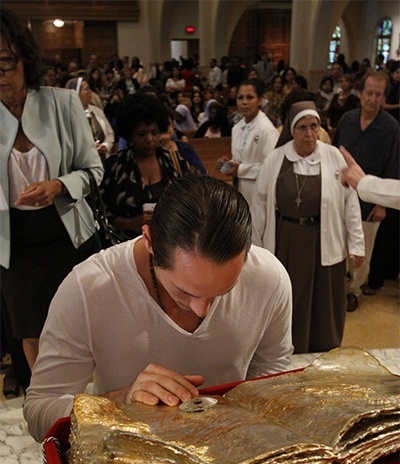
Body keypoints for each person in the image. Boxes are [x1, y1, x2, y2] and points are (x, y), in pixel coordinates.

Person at [24, 175, 293, 443]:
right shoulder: (90, 289)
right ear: (150, 241)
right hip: (127, 460)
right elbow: (39, 414)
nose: (201, 311)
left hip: (230, 451)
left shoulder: (267, 279)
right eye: (184, 292)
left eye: (222, 291)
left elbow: (271, 377)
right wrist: (120, 401)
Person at [0, 7, 104, 381]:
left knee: (84, 327)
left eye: (6, 63)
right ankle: (52, 408)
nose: (0, 75)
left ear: (25, 58)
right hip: (14, 243)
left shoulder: (62, 104)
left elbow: (94, 171)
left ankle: (94, 403)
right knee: (33, 331)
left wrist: (59, 185)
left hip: (68, 234)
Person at [252, 101, 364, 354]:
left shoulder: (333, 156)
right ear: (292, 130)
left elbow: (351, 203)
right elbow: (259, 206)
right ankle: (291, 350)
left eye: (314, 126)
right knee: (293, 299)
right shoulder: (275, 159)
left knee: (326, 300)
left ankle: (326, 349)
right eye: (302, 128)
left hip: (325, 239)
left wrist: (356, 243)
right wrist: (256, 250)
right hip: (288, 239)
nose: (309, 134)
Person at [334, 70, 400, 308]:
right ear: (360, 93)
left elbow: (394, 165)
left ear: (383, 98)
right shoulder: (347, 120)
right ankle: (338, 286)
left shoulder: (391, 127)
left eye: (378, 94)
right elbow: (335, 154)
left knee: (364, 246)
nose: (372, 99)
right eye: (369, 93)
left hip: (371, 198)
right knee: (340, 242)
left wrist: (381, 203)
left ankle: (354, 289)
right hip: (342, 192)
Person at [100, 93, 194, 238]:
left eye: (154, 132)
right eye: (141, 134)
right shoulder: (115, 166)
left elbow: (194, 198)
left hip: (170, 243)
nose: (149, 139)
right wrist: (130, 223)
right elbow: (100, 211)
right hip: (126, 246)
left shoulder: (175, 161)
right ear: (130, 135)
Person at [217, 79, 278, 218]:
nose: (244, 102)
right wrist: (229, 164)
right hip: (240, 191)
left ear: (260, 100)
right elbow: (241, 159)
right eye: (240, 98)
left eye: (250, 97)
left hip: (259, 194)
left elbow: (272, 168)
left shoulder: (266, 130)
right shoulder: (237, 128)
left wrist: (240, 169)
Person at [65, 77, 115, 161]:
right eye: (86, 89)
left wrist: (105, 146)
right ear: (76, 93)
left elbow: (110, 134)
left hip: (102, 160)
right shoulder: (68, 116)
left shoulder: (97, 111)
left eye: (89, 88)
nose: (90, 92)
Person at [327, 73, 360, 141]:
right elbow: (330, 112)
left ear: (351, 83)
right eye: (342, 81)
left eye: (346, 81)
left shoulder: (354, 99)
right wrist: (329, 126)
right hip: (333, 127)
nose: (344, 84)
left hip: (346, 129)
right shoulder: (335, 96)